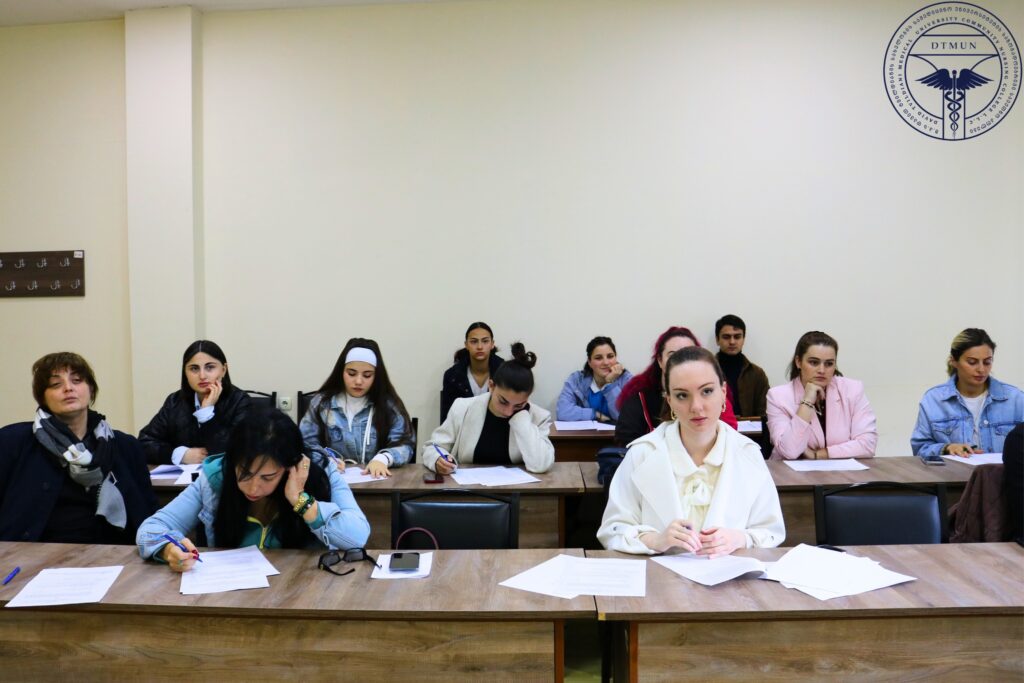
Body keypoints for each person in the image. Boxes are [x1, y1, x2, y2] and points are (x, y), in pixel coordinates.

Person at [598, 346, 784, 555]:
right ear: (669, 400)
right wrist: (655, 540)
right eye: (682, 395)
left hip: (729, 573)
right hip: (658, 573)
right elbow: (612, 529)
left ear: (723, 392)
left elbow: (771, 530)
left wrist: (739, 538)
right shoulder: (642, 453)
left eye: (707, 391)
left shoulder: (748, 453)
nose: (696, 406)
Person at [137, 408, 370, 569]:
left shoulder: (320, 472)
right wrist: (168, 550)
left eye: (268, 477)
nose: (253, 487)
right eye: (244, 473)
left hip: (302, 593)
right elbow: (150, 530)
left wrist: (301, 501)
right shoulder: (215, 475)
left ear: (289, 467)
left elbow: (358, 537)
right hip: (231, 597)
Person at [0, 352, 157, 544]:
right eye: (56, 384)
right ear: (43, 397)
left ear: (91, 389)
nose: (68, 388)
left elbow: (150, 513)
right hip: (35, 553)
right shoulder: (13, 442)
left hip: (115, 553)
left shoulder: (125, 446)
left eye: (77, 380)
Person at [423, 342, 554, 474]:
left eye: (519, 405)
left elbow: (541, 465)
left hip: (519, 486)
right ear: (491, 386)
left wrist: (522, 420)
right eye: (503, 401)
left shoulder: (538, 417)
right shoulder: (462, 408)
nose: (508, 412)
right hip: (468, 485)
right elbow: (433, 447)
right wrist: (438, 459)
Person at [300, 338, 414, 478]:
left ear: (376, 376)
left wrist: (383, 459)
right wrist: (325, 460)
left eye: (367, 375)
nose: (358, 381)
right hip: (332, 479)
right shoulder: (322, 404)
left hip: (377, 480)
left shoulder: (389, 405)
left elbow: (405, 445)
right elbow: (305, 444)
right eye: (351, 374)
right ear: (341, 372)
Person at [615, 327, 737, 447]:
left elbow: (729, 437)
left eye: (690, 354)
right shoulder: (639, 398)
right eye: (682, 395)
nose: (682, 361)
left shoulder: (715, 394)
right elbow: (626, 442)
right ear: (660, 360)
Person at [911, 328, 1023, 457]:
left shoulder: (1015, 399)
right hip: (953, 471)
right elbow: (920, 449)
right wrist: (946, 448)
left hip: (1003, 471)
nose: (981, 369)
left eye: (987, 362)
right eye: (972, 362)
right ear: (954, 361)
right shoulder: (934, 400)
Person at [766, 331, 877, 460]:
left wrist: (819, 454)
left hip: (840, 470)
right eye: (814, 362)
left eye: (829, 364)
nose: (822, 370)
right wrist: (807, 401)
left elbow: (868, 445)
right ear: (798, 362)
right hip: (788, 472)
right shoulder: (778, 397)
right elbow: (789, 451)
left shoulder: (852, 390)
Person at [139, 340, 252, 465]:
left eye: (210, 367)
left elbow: (239, 451)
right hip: (179, 477)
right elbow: (143, 443)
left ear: (223, 370)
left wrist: (206, 413)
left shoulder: (240, 401)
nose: (202, 376)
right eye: (194, 368)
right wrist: (180, 455)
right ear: (185, 372)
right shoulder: (174, 401)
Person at [556, 336, 633, 423]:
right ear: (589, 362)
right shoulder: (576, 380)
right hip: (586, 432)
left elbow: (627, 417)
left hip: (619, 432)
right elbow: (562, 412)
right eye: (598, 358)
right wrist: (595, 414)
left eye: (610, 356)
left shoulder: (627, 379)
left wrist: (610, 384)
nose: (606, 362)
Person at [440, 322, 504, 423]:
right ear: (466, 345)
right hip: (462, 430)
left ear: (492, 344)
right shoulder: (452, 376)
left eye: (485, 341)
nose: (480, 346)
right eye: (474, 342)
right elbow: (447, 419)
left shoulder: (505, 372)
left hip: (498, 429)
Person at [714, 314, 770, 417]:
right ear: (717, 339)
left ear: (743, 339)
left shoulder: (757, 374)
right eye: (726, 337)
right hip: (715, 427)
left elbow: (764, 414)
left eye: (737, 337)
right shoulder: (706, 372)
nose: (732, 342)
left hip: (750, 428)